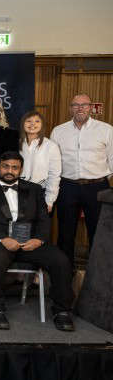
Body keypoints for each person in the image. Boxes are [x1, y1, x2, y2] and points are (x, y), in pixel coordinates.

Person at [0, 151, 76, 331]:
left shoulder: (34, 189)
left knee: (60, 260)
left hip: (29, 241)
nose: (9, 171)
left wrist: (39, 239)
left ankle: (62, 311)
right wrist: (3, 238)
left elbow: (44, 219)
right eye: (5, 166)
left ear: (20, 170)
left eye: (15, 167)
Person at [50, 93, 113, 261]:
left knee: (98, 232)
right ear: (70, 108)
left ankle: (96, 273)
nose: (80, 108)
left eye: (84, 105)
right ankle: (65, 271)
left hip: (97, 187)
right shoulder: (58, 131)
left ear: (91, 107)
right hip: (67, 186)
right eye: (76, 105)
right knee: (65, 232)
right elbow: (53, 162)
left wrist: (101, 180)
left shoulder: (106, 130)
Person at [19, 110, 61, 213]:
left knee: (40, 223)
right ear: (23, 124)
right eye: (29, 121)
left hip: (41, 194)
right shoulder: (16, 144)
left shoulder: (51, 146)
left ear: (42, 125)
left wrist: (49, 200)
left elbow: (54, 175)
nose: (32, 124)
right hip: (18, 193)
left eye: (37, 121)